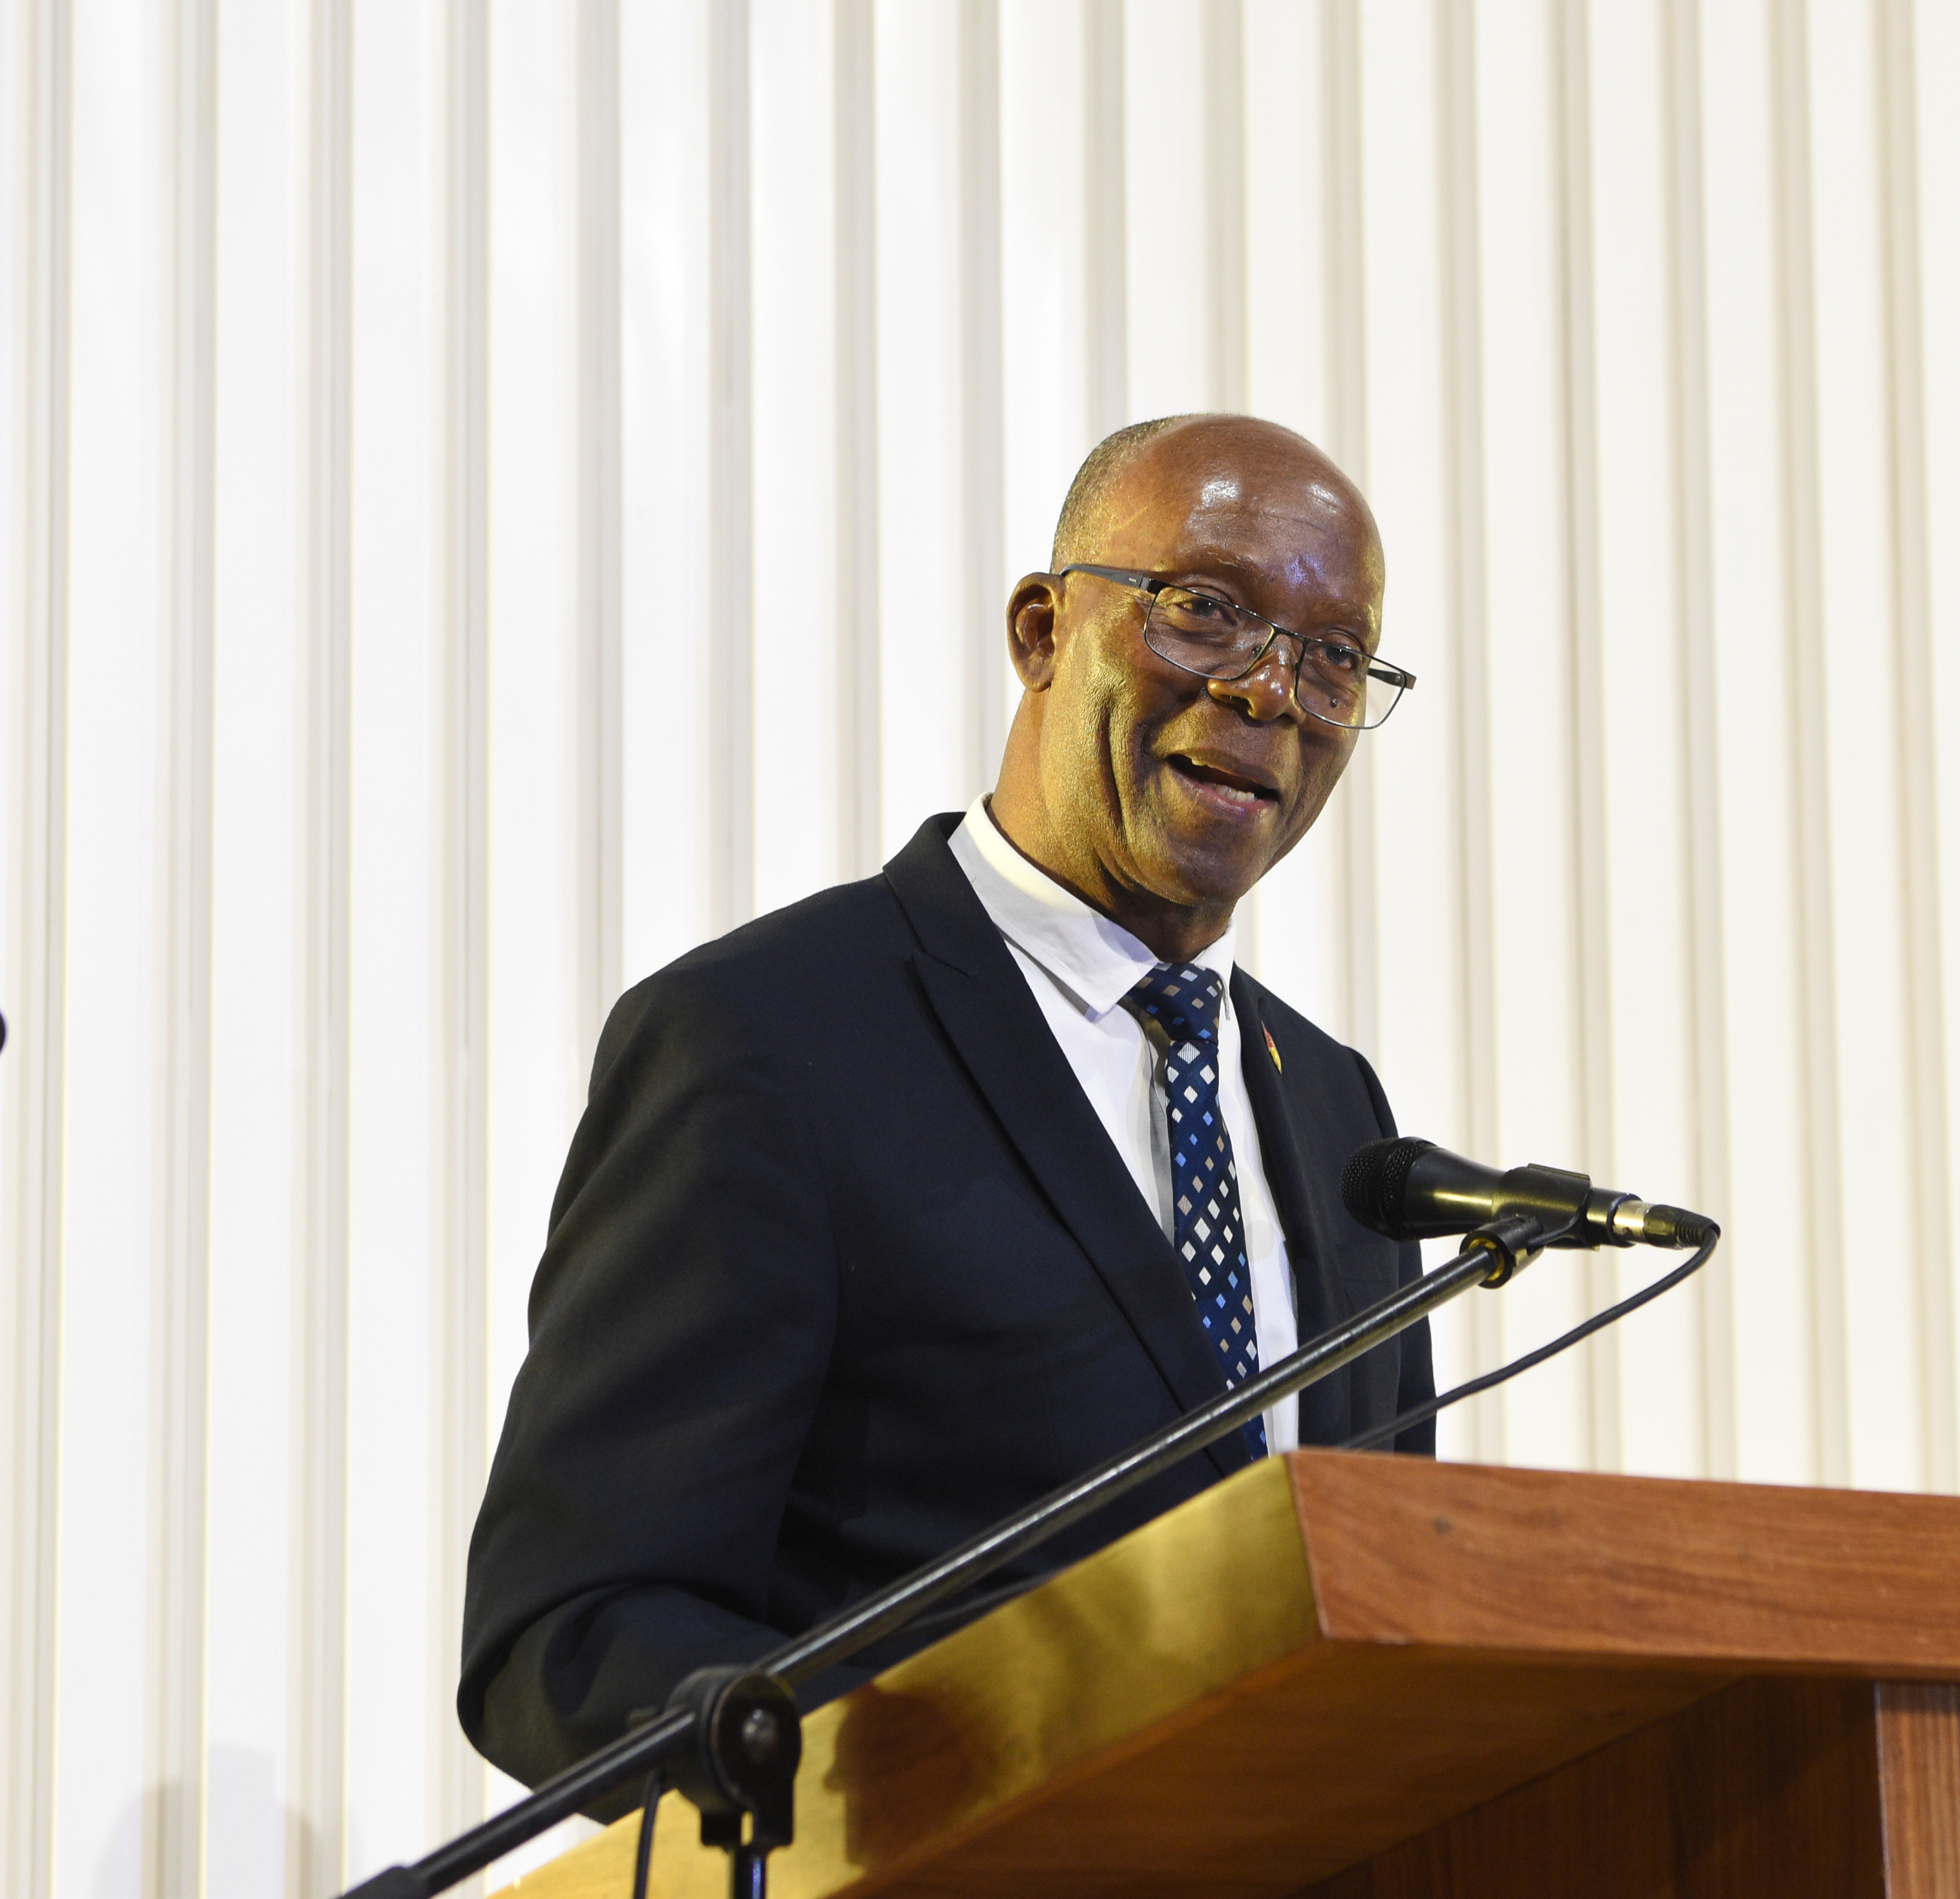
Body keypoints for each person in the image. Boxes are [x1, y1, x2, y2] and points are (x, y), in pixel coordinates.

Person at [459, 413, 1435, 1789]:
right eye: (1205, 612)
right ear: (1042, 631)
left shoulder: (1343, 1119)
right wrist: (941, 1766)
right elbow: (571, 1635)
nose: (1272, 693)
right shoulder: (769, 1039)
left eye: (1334, 659)